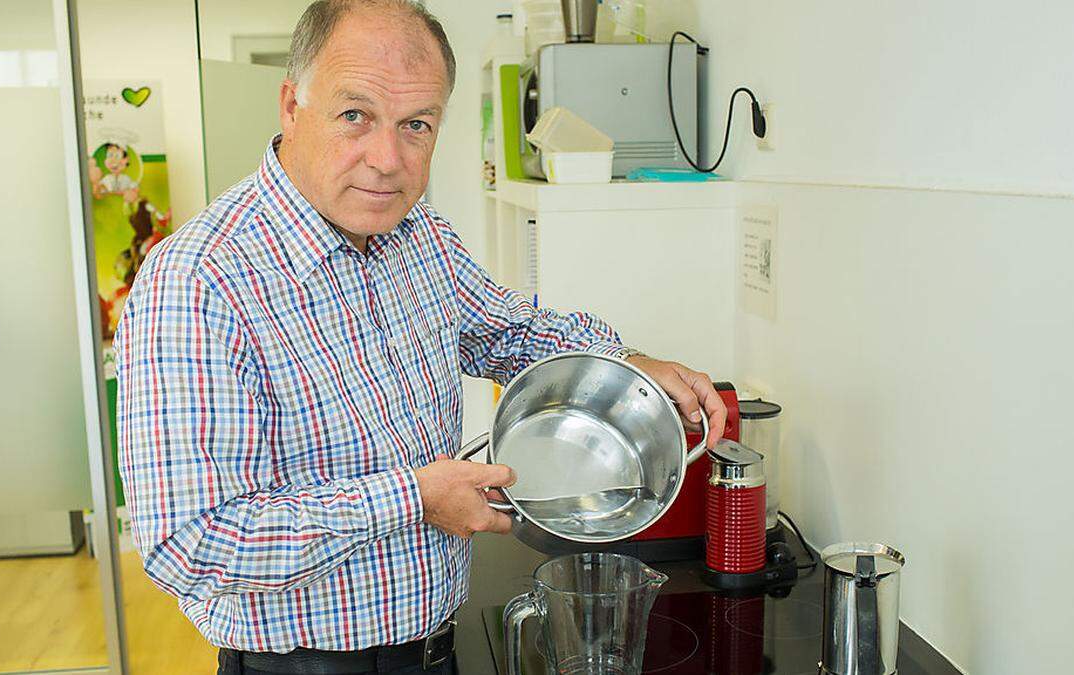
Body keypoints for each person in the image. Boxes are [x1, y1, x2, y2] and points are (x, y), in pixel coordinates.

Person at [113, 1, 725, 673]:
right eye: (355, 116)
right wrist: (412, 497)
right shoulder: (200, 280)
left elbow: (509, 331)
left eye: (416, 125)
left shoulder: (419, 235)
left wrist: (629, 361)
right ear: (291, 106)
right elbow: (191, 543)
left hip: (434, 651)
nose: (387, 159)